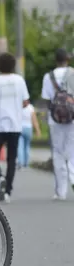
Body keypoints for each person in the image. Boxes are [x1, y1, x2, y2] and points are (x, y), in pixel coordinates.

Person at [0, 52, 30, 203]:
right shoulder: (19, 80)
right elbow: (26, 102)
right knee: (11, 159)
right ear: (13, 65)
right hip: (15, 125)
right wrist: (15, 107)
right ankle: (8, 191)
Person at [41, 48, 74, 200]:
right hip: (72, 117)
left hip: (55, 120)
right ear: (67, 59)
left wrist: (56, 112)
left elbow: (47, 99)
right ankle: (73, 179)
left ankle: (61, 191)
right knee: (72, 150)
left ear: (55, 60)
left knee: (58, 152)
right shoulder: (73, 73)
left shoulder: (48, 76)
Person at [17, 101, 41, 169]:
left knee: (20, 147)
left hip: (20, 128)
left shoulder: (18, 106)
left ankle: (20, 162)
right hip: (28, 128)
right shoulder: (31, 108)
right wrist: (37, 130)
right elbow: (34, 120)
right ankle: (26, 163)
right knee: (27, 146)